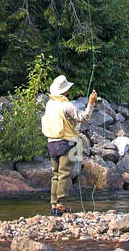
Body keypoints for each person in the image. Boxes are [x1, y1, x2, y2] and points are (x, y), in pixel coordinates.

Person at [41, 75, 97, 216]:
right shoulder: (67, 105)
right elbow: (84, 117)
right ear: (65, 92)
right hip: (68, 143)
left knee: (55, 174)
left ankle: (54, 204)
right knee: (65, 174)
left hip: (51, 143)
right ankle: (60, 205)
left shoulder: (49, 104)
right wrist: (91, 103)